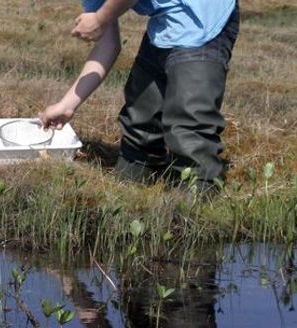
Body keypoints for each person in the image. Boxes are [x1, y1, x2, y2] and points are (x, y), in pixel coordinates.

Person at [38, 0, 239, 195]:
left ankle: (196, 195)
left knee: (189, 122)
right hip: (165, 24)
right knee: (140, 118)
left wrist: (99, 19)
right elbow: (107, 46)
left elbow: (100, 22)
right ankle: (135, 177)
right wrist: (67, 105)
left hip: (204, 20)